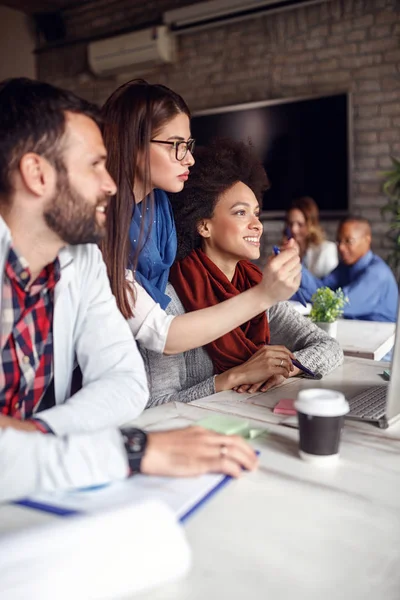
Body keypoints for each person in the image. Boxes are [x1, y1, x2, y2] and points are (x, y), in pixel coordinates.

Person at [0, 78, 257, 501]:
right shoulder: (103, 251)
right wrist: (129, 451)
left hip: (42, 486)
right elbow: (160, 343)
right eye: (93, 166)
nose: (111, 184)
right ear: (36, 173)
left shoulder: (81, 261)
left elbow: (126, 381)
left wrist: (33, 438)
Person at [100, 80, 302, 357]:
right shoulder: (100, 224)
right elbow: (162, 335)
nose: (190, 159)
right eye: (176, 145)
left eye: (188, 145)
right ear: (133, 144)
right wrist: (264, 294)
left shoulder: (160, 209)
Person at [138, 140, 343, 407]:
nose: (256, 224)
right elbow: (158, 404)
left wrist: (282, 369)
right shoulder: (169, 300)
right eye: (240, 213)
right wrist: (236, 376)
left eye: (256, 213)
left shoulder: (253, 285)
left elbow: (329, 347)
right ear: (203, 226)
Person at [294, 216, 399, 322]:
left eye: (348, 241)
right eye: (339, 241)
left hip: (382, 335)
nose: (341, 247)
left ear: (367, 240)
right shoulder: (346, 267)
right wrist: (295, 265)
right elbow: (321, 290)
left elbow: (336, 304)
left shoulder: (377, 274)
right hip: (357, 331)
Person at [284, 196, 338, 278]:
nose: (294, 230)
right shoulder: (285, 250)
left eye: (300, 224)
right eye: (291, 224)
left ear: (311, 224)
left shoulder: (326, 249)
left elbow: (330, 288)